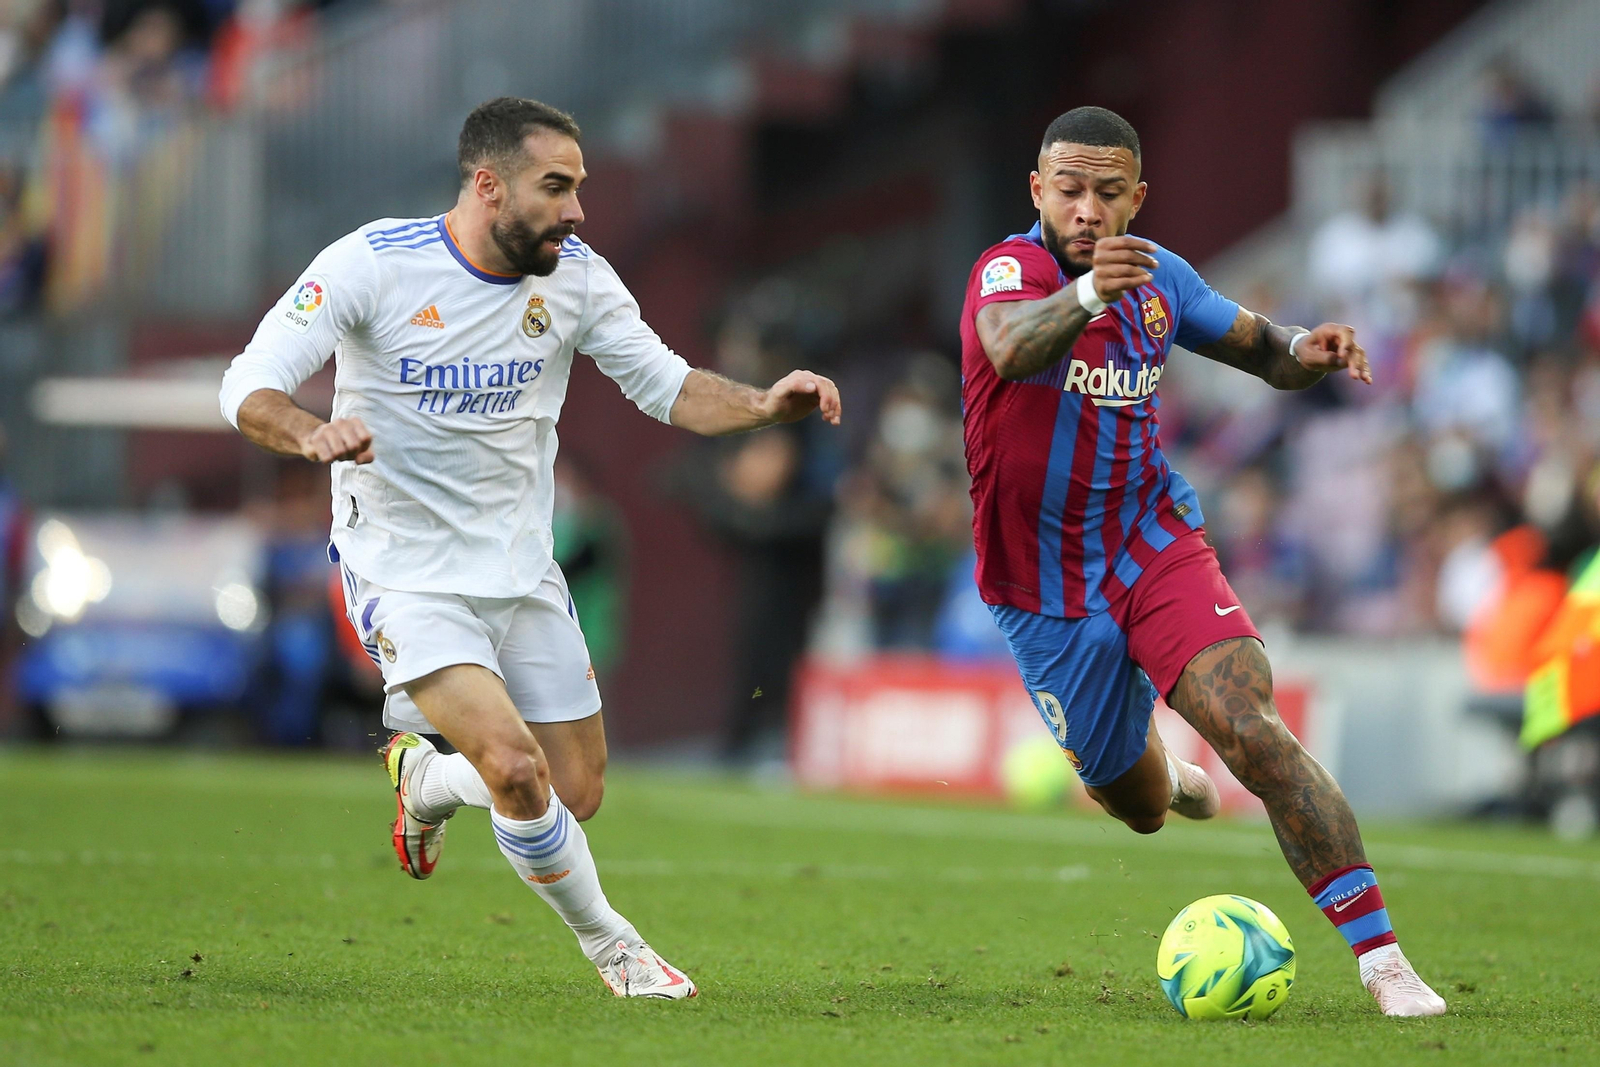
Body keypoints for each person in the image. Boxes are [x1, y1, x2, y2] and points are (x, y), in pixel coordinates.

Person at [218, 96, 842, 998]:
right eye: (556, 186)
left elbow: (666, 384)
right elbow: (247, 384)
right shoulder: (372, 264)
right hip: (403, 569)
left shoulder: (578, 276)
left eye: (580, 186)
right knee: (515, 769)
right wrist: (309, 433)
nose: (578, 208)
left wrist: (758, 404)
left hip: (521, 567)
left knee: (574, 791)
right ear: (488, 185)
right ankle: (618, 951)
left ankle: (426, 779)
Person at [959, 106, 1444, 1017]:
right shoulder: (1007, 271)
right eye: (1069, 190)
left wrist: (1309, 350)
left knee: (1252, 726)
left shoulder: (1161, 279)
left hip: (1152, 543)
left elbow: (1261, 349)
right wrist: (1090, 294)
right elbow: (1009, 345)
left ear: (1138, 197)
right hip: (1041, 587)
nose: (1087, 210)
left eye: (1109, 192)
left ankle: (1383, 960)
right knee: (1138, 805)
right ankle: (1170, 774)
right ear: (1038, 191)